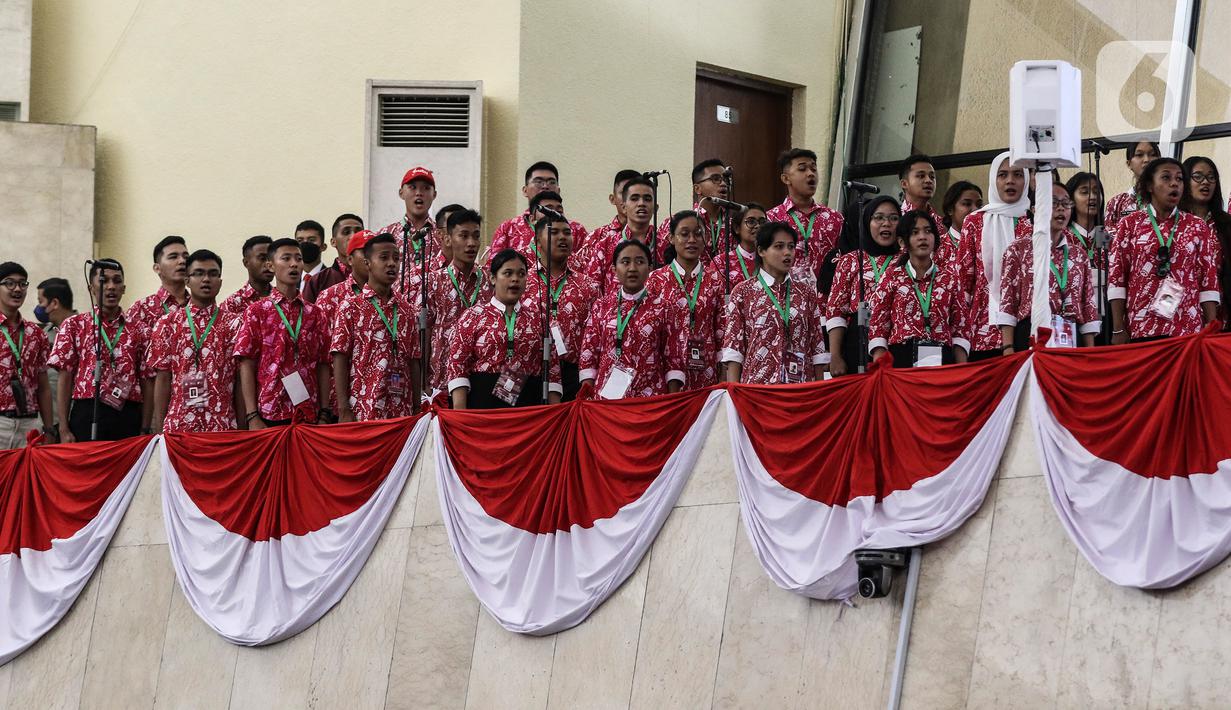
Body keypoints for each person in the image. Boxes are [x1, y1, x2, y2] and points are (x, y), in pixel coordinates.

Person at [1109, 157, 1220, 342]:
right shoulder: (1129, 224)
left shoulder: (1197, 227)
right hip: (1142, 326)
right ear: (1150, 186)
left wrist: (1211, 326)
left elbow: (1208, 280)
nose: (1174, 184)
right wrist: (1118, 329)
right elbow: (1117, 278)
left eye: (1179, 179)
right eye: (1166, 178)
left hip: (1187, 328)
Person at [446, 249, 562, 409]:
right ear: (493, 278)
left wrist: (555, 412)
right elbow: (457, 365)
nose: (515, 279)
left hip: (527, 409)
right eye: (508, 273)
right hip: (482, 408)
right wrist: (461, 415)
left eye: (521, 274)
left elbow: (553, 369)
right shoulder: (473, 316)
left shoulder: (538, 319)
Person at [234, 238, 331, 427]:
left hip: (308, 413)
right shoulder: (257, 311)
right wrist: (252, 415)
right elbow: (246, 363)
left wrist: (325, 412)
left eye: (298, 259)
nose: (294, 264)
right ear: (271, 265)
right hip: (269, 413)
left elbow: (323, 363)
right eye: (286, 258)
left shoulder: (315, 313)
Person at [49, 259, 147, 443]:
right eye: (104, 280)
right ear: (91, 288)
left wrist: (146, 427)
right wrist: (63, 428)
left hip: (127, 412)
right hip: (87, 411)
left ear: (124, 288)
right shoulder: (74, 325)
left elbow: (146, 381)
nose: (111, 287)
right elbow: (65, 377)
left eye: (117, 281)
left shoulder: (139, 329)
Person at [721, 221, 828, 384]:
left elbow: (817, 347)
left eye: (791, 247)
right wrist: (734, 392)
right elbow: (734, 349)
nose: (787, 253)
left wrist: (819, 390)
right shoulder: (743, 292)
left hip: (800, 388)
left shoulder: (806, 293)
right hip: (757, 390)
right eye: (779, 246)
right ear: (762, 251)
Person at [997, 183, 1100, 352]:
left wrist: (1089, 351)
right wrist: (1007, 347)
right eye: (1053, 202)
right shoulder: (1017, 249)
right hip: (1030, 331)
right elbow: (1008, 303)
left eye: (1066, 203)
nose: (1061, 209)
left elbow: (1088, 306)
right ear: (1035, 209)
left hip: (1072, 335)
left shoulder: (1078, 254)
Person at [331, 233, 422, 421]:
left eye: (396, 259)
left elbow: (414, 360)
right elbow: (340, 358)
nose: (392, 264)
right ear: (367, 263)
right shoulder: (350, 307)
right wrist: (343, 408)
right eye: (384, 258)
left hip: (401, 411)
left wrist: (416, 406)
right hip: (363, 409)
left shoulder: (407, 309)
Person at [150, 249, 242, 433]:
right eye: (199, 273)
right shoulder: (168, 323)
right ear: (187, 280)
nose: (206, 279)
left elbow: (240, 381)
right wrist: (159, 429)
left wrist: (243, 428)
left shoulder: (235, 323)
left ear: (220, 281)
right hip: (178, 426)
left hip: (222, 426)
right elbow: (163, 378)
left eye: (213, 274)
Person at [579, 240, 686, 398]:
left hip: (650, 399)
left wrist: (672, 400)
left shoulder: (664, 307)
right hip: (605, 400)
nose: (632, 268)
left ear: (650, 268)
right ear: (614, 269)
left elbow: (673, 358)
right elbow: (588, 353)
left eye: (640, 261)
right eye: (625, 262)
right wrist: (587, 394)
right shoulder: (601, 306)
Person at [955, 152, 1032, 360]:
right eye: (1002, 175)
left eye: (1017, 174)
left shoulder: (1035, 223)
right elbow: (964, 283)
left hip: (1026, 327)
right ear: (993, 179)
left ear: (1026, 180)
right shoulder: (974, 222)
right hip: (983, 330)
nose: (1010, 181)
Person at [868, 211, 971, 367]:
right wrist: (881, 366)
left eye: (928, 231)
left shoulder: (949, 278)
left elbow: (960, 327)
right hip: (901, 358)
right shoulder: (892, 277)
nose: (923, 237)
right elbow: (878, 324)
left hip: (943, 359)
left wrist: (961, 368)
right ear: (902, 242)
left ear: (935, 239)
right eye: (915, 232)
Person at [646, 211, 725, 389]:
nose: (692, 239)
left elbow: (721, 329)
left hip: (706, 372)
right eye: (684, 234)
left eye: (698, 233)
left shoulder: (715, 279)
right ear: (671, 238)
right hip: (665, 374)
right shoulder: (655, 280)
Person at [522, 213, 596, 401]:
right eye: (554, 232)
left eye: (567, 233)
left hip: (573, 373)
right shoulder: (523, 282)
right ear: (537, 243)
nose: (562, 237)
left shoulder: (588, 286)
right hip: (531, 372)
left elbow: (596, 335)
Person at [826, 196, 902, 376]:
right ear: (867, 223)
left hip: (895, 338)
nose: (886, 223)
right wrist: (835, 356)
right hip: (857, 337)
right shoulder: (850, 260)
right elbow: (836, 310)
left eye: (893, 218)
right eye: (879, 217)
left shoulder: (906, 260)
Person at [427, 209, 490, 393]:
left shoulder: (490, 281)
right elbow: (424, 332)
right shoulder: (434, 281)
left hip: (480, 375)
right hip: (441, 379)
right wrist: (423, 383)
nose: (471, 243)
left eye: (476, 236)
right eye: (463, 236)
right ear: (447, 239)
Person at [766, 148, 845, 290]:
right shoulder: (771, 219)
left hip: (827, 301)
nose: (810, 174)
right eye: (802, 169)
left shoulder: (835, 218)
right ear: (786, 178)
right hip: (785, 300)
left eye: (814, 169)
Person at [0, 263, 54, 448]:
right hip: (1, 423)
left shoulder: (36, 333)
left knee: (26, 477)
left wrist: (49, 429)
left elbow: (44, 386)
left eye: (23, 284)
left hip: (30, 425)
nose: (17, 289)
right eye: (10, 283)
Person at [490, 162, 590, 257]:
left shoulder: (576, 230)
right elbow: (494, 268)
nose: (545, 186)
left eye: (551, 182)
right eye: (538, 182)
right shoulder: (508, 229)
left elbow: (586, 267)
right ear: (525, 190)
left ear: (558, 190)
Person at [584, 176, 660, 295]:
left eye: (647, 199)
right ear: (624, 207)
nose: (641, 204)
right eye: (634, 198)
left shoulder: (665, 245)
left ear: (655, 207)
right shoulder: (605, 246)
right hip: (615, 313)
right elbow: (592, 292)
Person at [1180, 156, 1231, 327]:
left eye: (1211, 177)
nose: (1205, 182)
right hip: (1182, 308)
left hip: (1221, 307)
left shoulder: (1226, 223)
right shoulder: (1175, 223)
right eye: (1198, 176)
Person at [377, 166, 446, 290]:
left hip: (435, 306)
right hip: (395, 306)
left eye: (426, 188)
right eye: (412, 187)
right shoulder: (385, 235)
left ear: (434, 194)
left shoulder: (443, 236)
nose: (419, 193)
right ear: (401, 193)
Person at [654, 159, 731, 263]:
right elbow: (660, 262)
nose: (723, 184)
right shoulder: (676, 223)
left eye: (726, 179)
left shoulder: (735, 225)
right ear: (697, 188)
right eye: (716, 179)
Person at [35, 277, 75, 426]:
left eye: (41, 302)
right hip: (49, 423)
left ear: (55, 303)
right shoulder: (43, 335)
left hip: (76, 419)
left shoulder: (86, 330)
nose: (38, 308)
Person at [707, 202, 766, 294]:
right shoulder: (721, 262)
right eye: (751, 222)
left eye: (763, 222)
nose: (758, 226)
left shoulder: (771, 259)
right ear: (737, 228)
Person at [304, 214, 364, 301]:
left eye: (358, 232)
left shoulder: (375, 276)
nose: (353, 237)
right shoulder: (318, 281)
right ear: (333, 242)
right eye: (346, 232)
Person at [1105, 141, 1160, 229]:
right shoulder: (1116, 203)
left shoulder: (1171, 198)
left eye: (1152, 154)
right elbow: (1108, 240)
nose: (1146, 160)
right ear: (1129, 164)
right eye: (1139, 155)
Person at [586, 169, 642, 251]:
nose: (629, 199)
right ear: (612, 199)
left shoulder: (656, 238)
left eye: (635, 195)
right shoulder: (596, 238)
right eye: (624, 193)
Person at [220, 235, 274, 318]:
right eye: (262, 258)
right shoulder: (232, 304)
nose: (268, 264)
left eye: (271, 258)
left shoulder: (283, 300)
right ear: (246, 262)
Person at [899, 154, 945, 236]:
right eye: (921, 176)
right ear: (904, 184)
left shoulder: (942, 225)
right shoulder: (895, 220)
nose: (928, 180)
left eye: (932, 177)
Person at [939, 181, 983, 265]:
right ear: (950, 209)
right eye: (967, 204)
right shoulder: (937, 247)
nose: (975, 210)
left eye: (979, 205)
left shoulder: (988, 244)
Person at [1064, 172, 1105, 261]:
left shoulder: (1107, 236)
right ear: (1071, 200)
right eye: (1084, 192)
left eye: (1096, 192)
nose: (1093, 197)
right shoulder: (1063, 237)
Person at [294, 219, 328, 287]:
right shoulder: (290, 281)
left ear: (323, 247)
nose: (305, 243)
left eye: (311, 240)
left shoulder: (333, 279)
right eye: (300, 240)